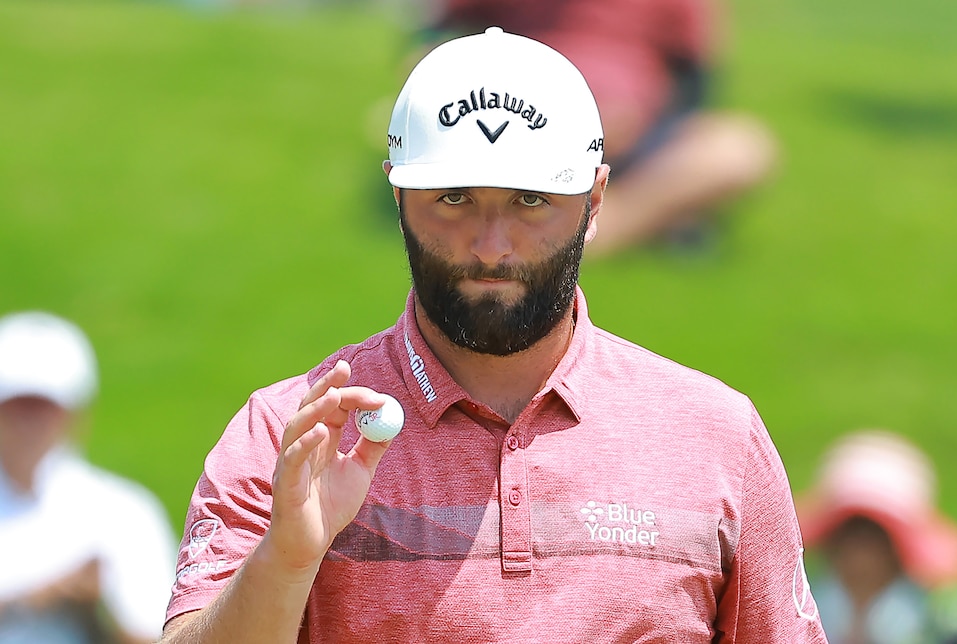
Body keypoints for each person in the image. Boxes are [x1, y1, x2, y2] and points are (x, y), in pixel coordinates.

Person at [160, 27, 826, 642]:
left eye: (530, 201)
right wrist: (285, 560)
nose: (489, 245)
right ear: (398, 199)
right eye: (453, 199)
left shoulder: (716, 436)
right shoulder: (290, 434)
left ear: (594, 204)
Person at [420, 0, 778, 256]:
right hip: (517, 133)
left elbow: (696, 84)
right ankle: (593, 226)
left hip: (637, 137)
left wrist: (637, 119)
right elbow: (440, 39)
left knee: (741, 148)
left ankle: (597, 229)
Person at [0, 311, 177, 644]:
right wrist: (33, 600)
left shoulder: (124, 512)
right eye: (16, 406)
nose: (29, 422)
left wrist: (94, 608)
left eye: (43, 406)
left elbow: (156, 636)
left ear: (73, 412)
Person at [796, 429, 957, 644]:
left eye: (876, 535)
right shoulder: (801, 608)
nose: (860, 549)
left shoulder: (941, 622)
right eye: (850, 531)